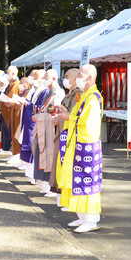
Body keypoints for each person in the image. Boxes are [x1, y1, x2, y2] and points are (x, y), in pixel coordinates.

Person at [56, 64, 103, 233]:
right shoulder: (84, 96)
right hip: (76, 144)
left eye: (81, 75)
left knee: (86, 182)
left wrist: (69, 117)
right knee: (77, 180)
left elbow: (88, 124)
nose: (78, 79)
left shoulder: (93, 98)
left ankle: (90, 220)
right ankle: (82, 216)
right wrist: (66, 114)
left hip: (86, 146)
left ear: (89, 77)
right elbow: (76, 116)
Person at [49, 68, 82, 210]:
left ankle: (67, 199)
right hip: (62, 133)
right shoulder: (71, 93)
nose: (65, 79)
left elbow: (73, 116)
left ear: (75, 78)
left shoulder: (78, 94)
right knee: (59, 165)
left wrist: (62, 118)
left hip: (69, 136)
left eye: (67, 76)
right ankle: (62, 197)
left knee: (66, 167)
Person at [31, 69, 65, 195]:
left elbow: (53, 113)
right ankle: (44, 185)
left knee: (48, 157)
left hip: (51, 130)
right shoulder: (48, 92)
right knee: (41, 154)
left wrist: (39, 117)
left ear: (54, 79)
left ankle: (49, 185)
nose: (44, 79)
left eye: (46, 77)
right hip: (43, 128)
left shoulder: (58, 93)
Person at [19, 69, 48, 184]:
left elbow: (40, 107)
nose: (33, 80)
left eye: (36, 78)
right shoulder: (33, 90)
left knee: (33, 148)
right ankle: (30, 174)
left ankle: (34, 175)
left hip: (35, 123)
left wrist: (28, 104)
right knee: (28, 146)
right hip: (28, 120)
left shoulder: (44, 91)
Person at [0, 66, 20, 156]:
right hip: (6, 110)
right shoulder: (11, 84)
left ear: (13, 73)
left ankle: (10, 150)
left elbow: (12, 97)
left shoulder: (16, 84)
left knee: (10, 131)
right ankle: (5, 148)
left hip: (11, 110)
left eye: (8, 72)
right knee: (5, 130)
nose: (6, 74)